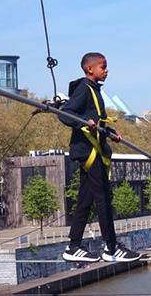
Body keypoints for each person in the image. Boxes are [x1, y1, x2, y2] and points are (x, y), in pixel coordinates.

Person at [58, 52, 141, 263]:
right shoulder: (84, 89)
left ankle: (73, 246)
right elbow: (65, 114)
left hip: (94, 149)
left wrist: (110, 132)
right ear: (90, 69)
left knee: (85, 200)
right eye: (103, 67)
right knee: (103, 196)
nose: (107, 70)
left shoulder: (94, 90)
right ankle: (111, 248)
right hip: (89, 151)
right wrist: (84, 122)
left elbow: (96, 120)